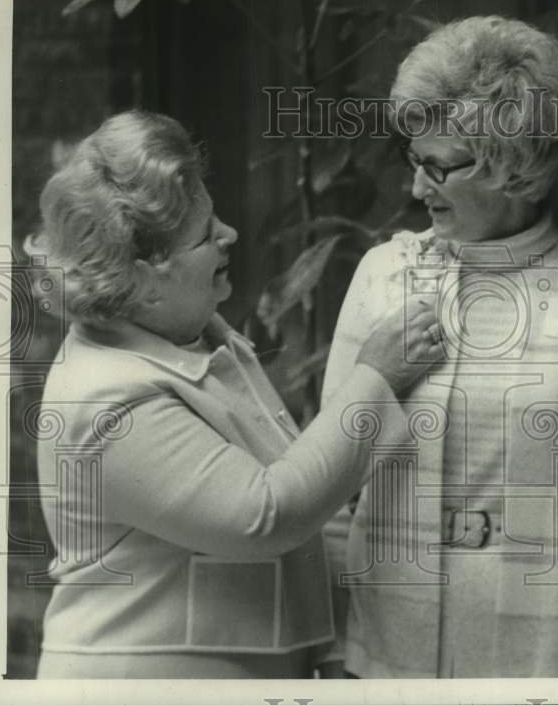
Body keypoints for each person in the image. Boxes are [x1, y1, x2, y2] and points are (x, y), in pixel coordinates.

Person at [27, 110, 443, 678]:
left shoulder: (199, 342)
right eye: (205, 234)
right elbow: (267, 516)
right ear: (146, 282)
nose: (230, 235)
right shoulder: (106, 402)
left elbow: (314, 511)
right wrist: (377, 375)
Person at [319, 15, 558, 677]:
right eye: (413, 160)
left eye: (438, 167)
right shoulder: (382, 276)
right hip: (388, 657)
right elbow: (335, 487)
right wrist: (337, 656)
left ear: (514, 165)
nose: (415, 188)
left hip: (545, 661)